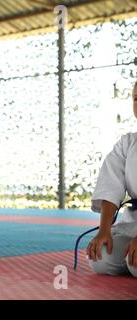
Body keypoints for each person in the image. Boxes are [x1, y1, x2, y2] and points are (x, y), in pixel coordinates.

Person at [86, 81, 137, 277]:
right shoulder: (128, 143)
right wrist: (104, 230)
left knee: (135, 265)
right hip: (132, 223)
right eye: (136, 99)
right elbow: (110, 185)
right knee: (101, 258)